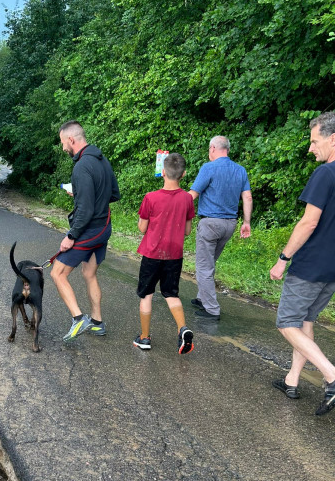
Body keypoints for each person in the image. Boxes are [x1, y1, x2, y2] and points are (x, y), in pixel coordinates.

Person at [270, 111, 335, 416]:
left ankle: (331, 374)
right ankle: (292, 380)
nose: (311, 148)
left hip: (310, 265)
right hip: (331, 270)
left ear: (333, 139)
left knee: (286, 322)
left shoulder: (325, 174)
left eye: (314, 140)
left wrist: (283, 258)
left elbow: (309, 222)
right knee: (305, 320)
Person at [51, 120, 120, 342]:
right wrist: (82, 193)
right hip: (104, 227)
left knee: (57, 273)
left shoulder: (81, 166)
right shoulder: (102, 160)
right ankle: (97, 323)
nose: (63, 148)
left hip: (90, 230)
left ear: (71, 139)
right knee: (89, 273)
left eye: (63, 143)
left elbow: (86, 210)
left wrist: (70, 236)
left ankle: (78, 318)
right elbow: (114, 194)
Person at [133, 153, 195, 354]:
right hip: (174, 255)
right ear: (183, 174)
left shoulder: (150, 197)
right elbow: (187, 231)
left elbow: (142, 228)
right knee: (171, 293)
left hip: (152, 254)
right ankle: (182, 329)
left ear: (162, 172)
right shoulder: (187, 198)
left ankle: (144, 338)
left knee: (147, 295)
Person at [188, 136, 252, 320]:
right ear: (228, 150)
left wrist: (172, 204)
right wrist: (246, 222)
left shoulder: (209, 168)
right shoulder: (240, 170)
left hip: (210, 224)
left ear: (213, 148)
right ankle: (202, 297)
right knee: (210, 262)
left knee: (203, 266)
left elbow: (192, 194)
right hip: (230, 225)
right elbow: (247, 198)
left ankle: (211, 309)